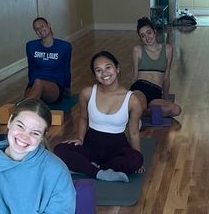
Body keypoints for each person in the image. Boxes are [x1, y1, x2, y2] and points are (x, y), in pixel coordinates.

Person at [53, 51, 145, 182]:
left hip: (117, 148)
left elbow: (134, 132)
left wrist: (138, 157)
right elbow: (83, 118)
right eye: (99, 70)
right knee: (59, 149)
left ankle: (90, 168)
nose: (104, 73)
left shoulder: (133, 100)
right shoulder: (87, 93)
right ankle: (100, 172)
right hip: (91, 146)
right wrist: (80, 138)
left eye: (108, 67)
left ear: (117, 68)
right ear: (95, 75)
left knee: (136, 159)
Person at [131, 17, 182, 118]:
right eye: (143, 36)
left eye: (149, 33)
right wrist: (130, 94)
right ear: (141, 39)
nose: (147, 37)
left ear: (154, 32)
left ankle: (145, 112)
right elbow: (135, 75)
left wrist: (166, 97)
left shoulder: (168, 49)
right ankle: (142, 110)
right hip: (140, 88)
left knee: (176, 110)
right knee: (139, 105)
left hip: (156, 92)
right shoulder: (137, 50)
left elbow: (166, 76)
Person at [24, 17, 72, 104]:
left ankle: (18, 112)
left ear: (49, 25)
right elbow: (31, 68)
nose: (40, 30)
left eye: (42, 26)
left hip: (54, 85)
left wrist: (67, 88)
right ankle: (22, 110)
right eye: (36, 29)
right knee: (32, 96)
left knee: (38, 83)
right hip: (34, 84)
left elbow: (66, 69)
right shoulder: (31, 46)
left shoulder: (65, 46)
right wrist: (30, 85)